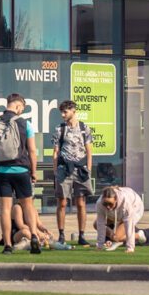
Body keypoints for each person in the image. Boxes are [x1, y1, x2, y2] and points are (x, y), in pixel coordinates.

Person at [0, 93, 39, 255]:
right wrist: (34, 172)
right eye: (22, 108)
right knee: (28, 206)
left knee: (5, 209)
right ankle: (35, 236)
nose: (21, 111)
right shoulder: (25, 124)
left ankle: (7, 245)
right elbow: (32, 151)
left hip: (2, 171)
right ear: (18, 106)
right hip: (22, 170)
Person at [51, 100, 93, 246]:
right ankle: (61, 235)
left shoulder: (84, 128)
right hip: (64, 169)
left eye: (65, 112)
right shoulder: (59, 129)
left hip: (80, 169)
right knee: (61, 202)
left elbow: (89, 150)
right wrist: (55, 171)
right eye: (61, 112)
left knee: (81, 203)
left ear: (73, 111)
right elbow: (55, 151)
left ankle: (82, 235)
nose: (63, 115)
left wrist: (88, 168)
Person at [93, 186, 149, 254]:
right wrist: (100, 245)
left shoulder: (125, 202)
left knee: (118, 237)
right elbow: (100, 223)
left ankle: (139, 235)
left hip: (135, 207)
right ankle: (114, 238)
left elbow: (129, 226)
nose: (108, 206)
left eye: (110, 204)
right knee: (96, 224)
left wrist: (130, 247)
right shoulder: (99, 203)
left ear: (116, 199)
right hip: (116, 211)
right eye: (105, 204)